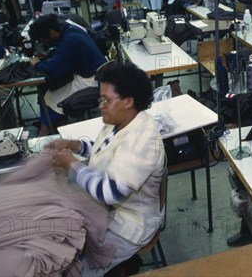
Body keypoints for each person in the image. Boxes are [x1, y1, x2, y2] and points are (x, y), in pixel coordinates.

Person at [48, 63, 166, 276]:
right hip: (108, 213)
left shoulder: (144, 138)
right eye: (100, 99)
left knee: (70, 269)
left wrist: (71, 164)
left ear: (129, 101)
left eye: (106, 100)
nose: (101, 105)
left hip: (130, 226)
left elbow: (109, 192)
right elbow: (106, 149)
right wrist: (76, 146)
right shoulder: (119, 122)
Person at [29, 14, 106, 136]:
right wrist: (49, 55)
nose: (45, 42)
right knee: (46, 90)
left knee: (49, 97)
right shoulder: (70, 28)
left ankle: (46, 129)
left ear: (51, 32)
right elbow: (62, 50)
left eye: (44, 38)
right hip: (95, 74)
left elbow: (51, 69)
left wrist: (37, 64)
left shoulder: (69, 41)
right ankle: (49, 122)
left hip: (91, 81)